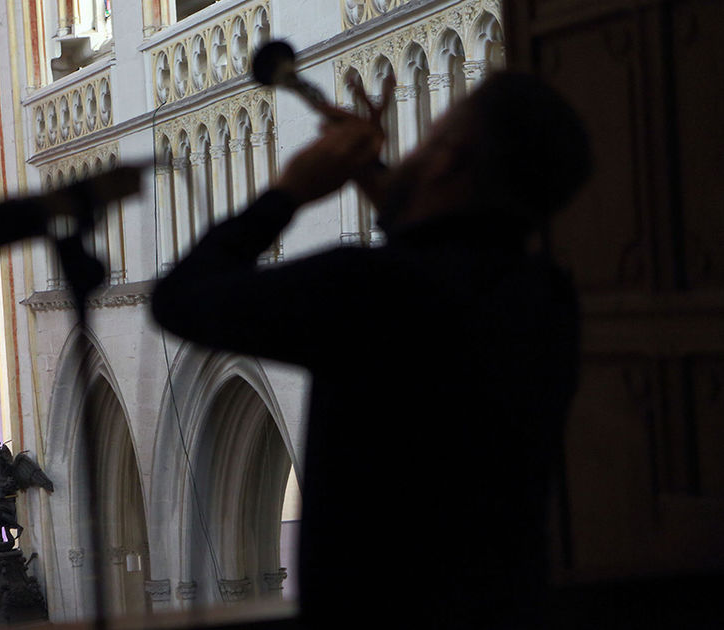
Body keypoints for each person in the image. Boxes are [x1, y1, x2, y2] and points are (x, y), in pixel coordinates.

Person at [151, 72, 591, 628]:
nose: (415, 150)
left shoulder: (366, 290)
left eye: (430, 140)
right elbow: (448, 251)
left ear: (446, 163)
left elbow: (179, 300)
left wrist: (290, 190)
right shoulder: (547, 298)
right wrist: (380, 175)